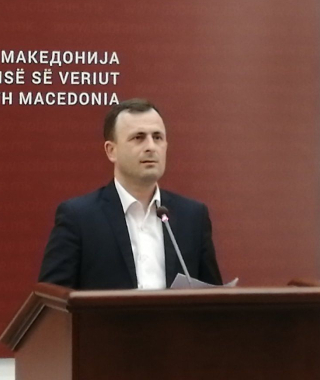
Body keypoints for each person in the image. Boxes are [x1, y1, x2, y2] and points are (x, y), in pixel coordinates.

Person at [38, 98, 222, 290]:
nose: (151, 147)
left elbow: (214, 299)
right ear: (111, 151)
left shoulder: (192, 217)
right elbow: (51, 300)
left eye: (157, 137)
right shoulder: (79, 218)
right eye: (138, 138)